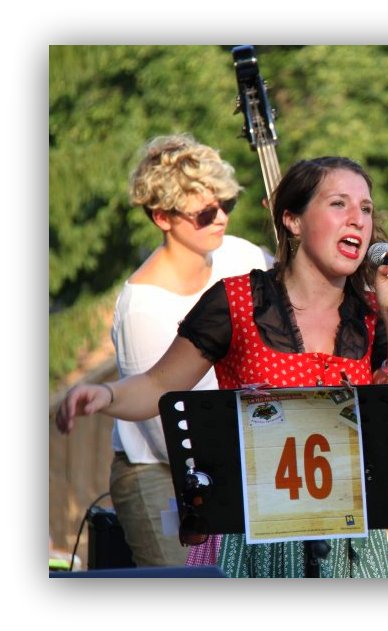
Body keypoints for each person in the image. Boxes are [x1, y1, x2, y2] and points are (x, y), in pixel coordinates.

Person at [56, 156, 388, 578]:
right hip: (255, 536)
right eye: (339, 204)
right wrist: (105, 395)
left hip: (348, 539)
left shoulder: (372, 314)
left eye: (365, 208)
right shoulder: (236, 302)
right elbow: (158, 384)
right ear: (293, 220)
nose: (358, 220)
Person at [107, 134, 269, 567]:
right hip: (159, 469)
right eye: (205, 212)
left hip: (234, 462)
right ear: (162, 217)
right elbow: (164, 433)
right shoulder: (142, 306)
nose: (221, 220)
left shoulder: (243, 255)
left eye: (227, 205)